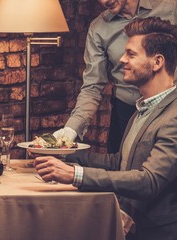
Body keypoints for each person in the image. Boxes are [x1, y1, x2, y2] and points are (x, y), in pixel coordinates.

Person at [35, 17, 177, 240]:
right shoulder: (143, 107)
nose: (121, 60)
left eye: (131, 54)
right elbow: (120, 162)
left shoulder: (173, 116)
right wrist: (67, 156)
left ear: (157, 62)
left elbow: (149, 181)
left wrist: (75, 175)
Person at [55, 0, 177, 153]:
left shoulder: (171, 9)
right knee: (121, 168)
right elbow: (92, 86)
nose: (104, 1)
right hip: (125, 112)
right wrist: (71, 129)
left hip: (170, 107)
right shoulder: (98, 28)